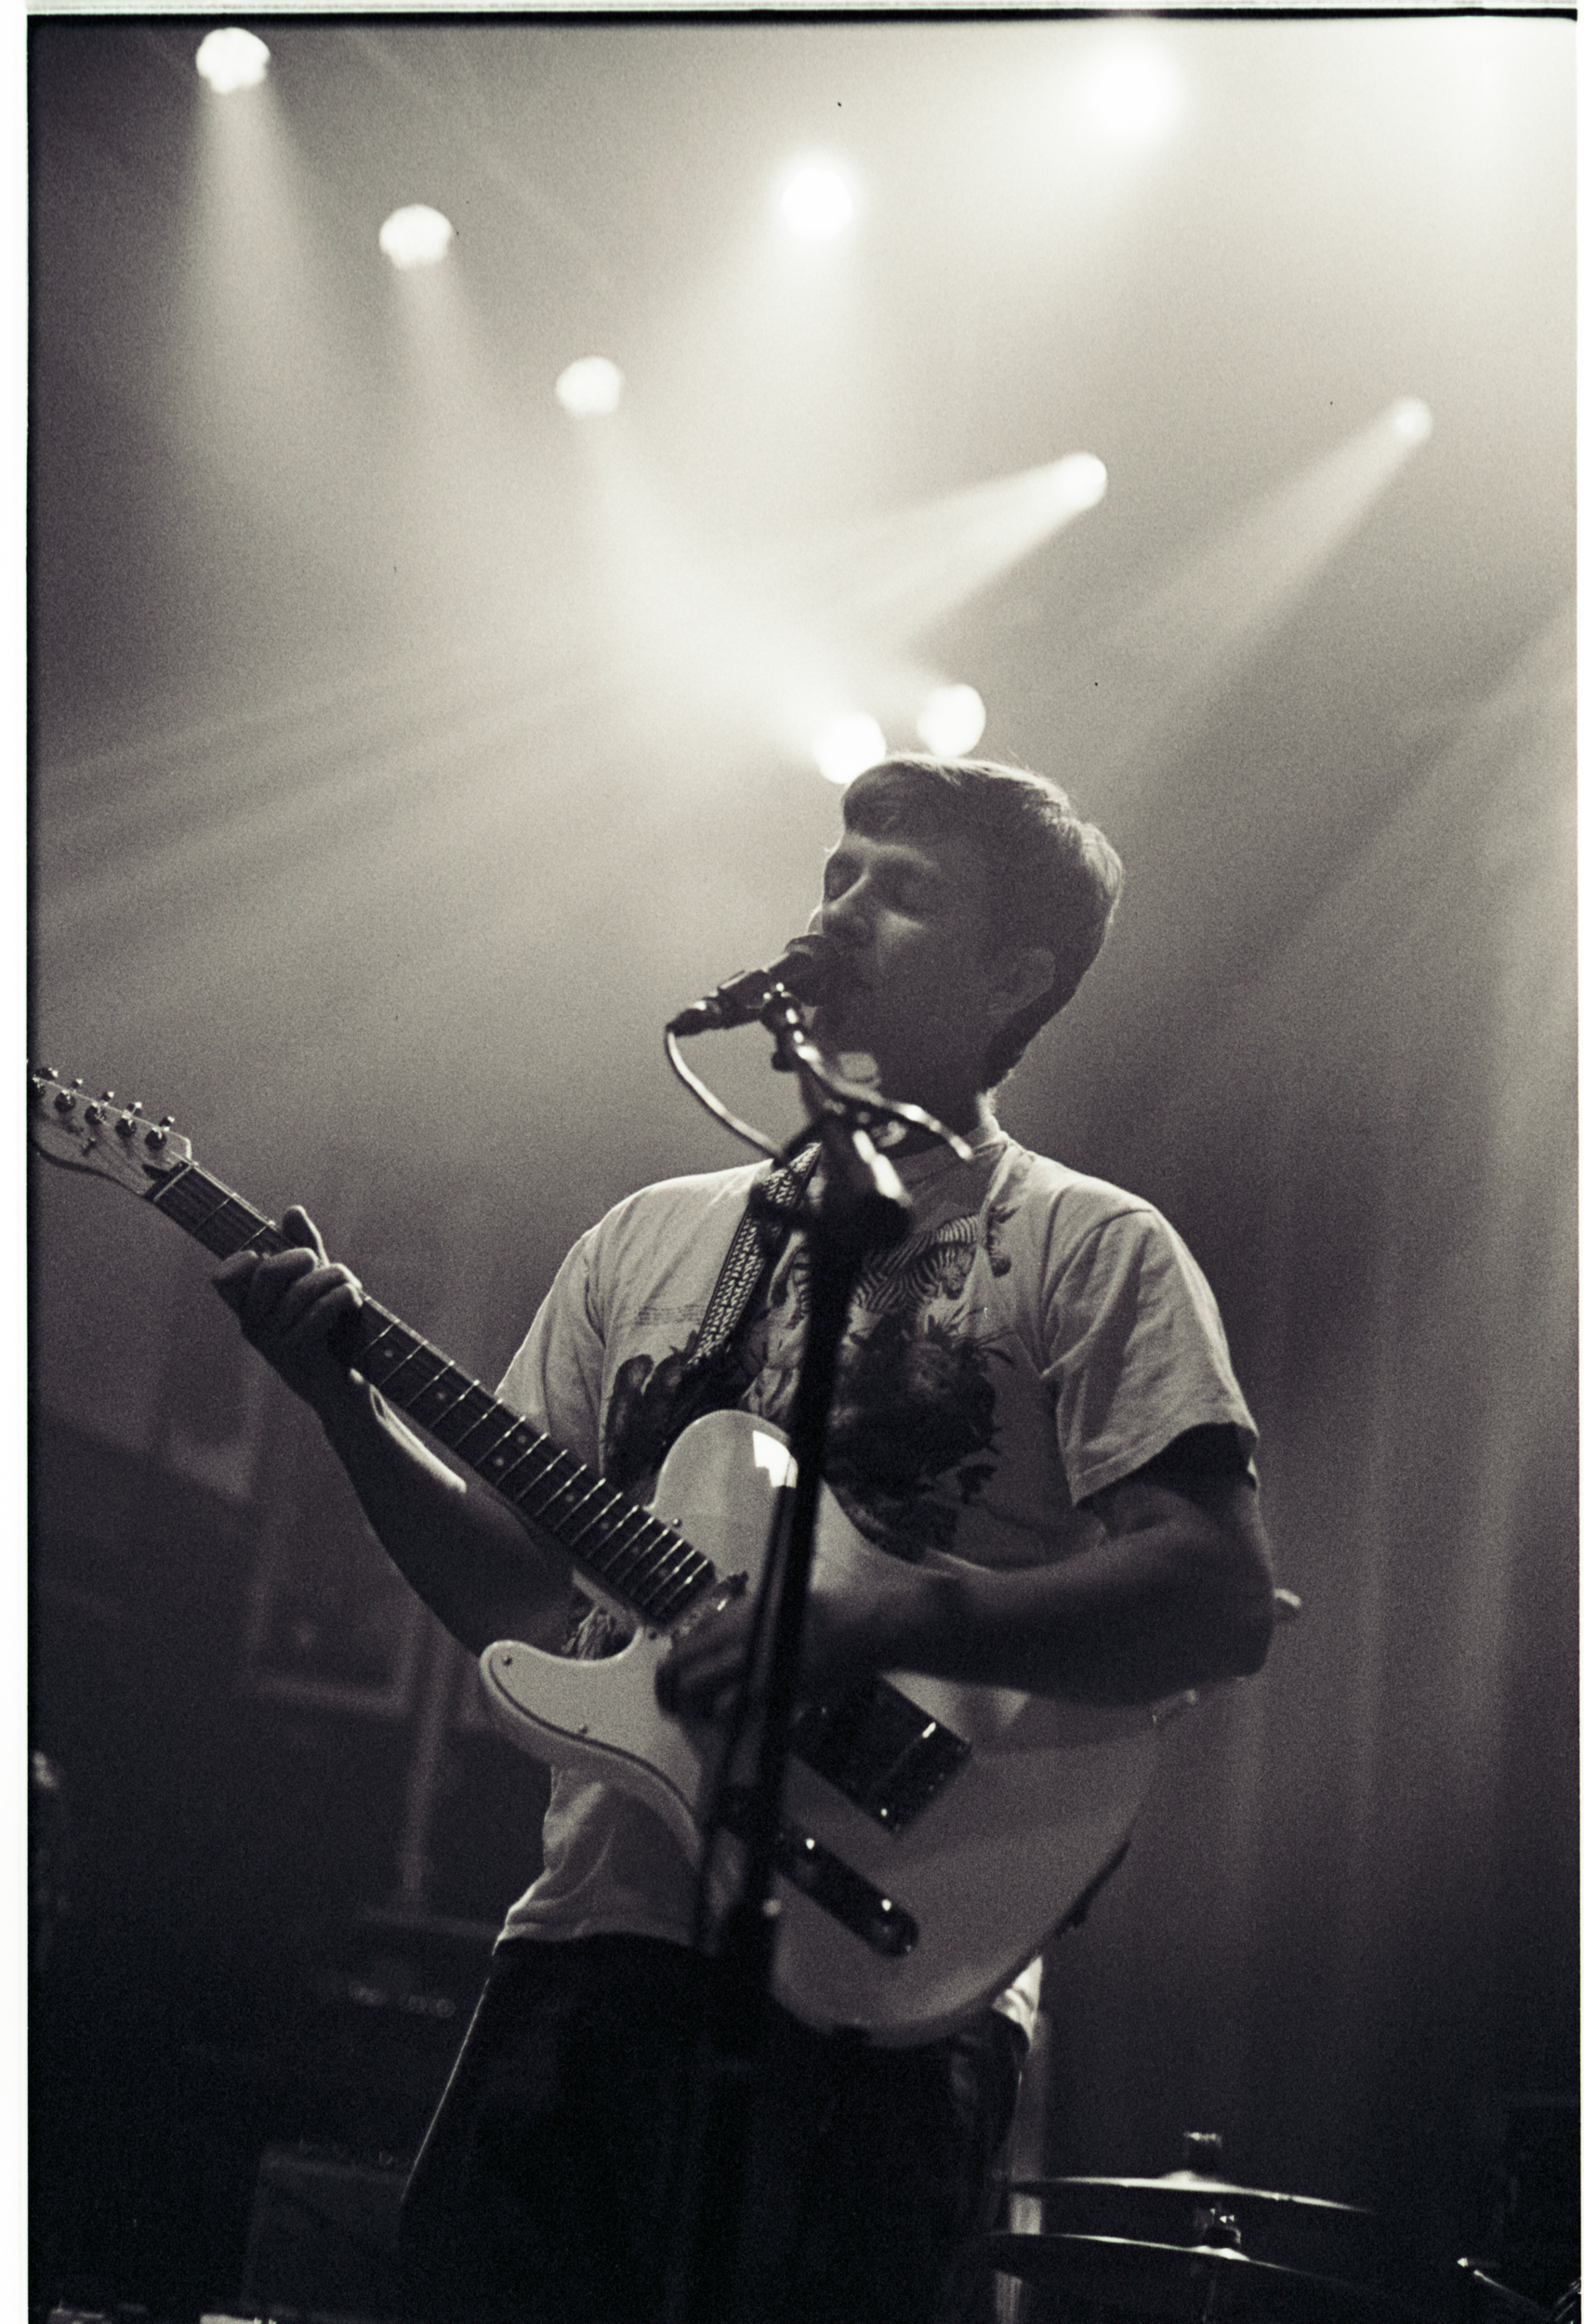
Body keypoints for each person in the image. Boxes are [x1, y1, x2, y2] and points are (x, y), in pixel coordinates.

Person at [214, 754, 1276, 2324]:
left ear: (1017, 978)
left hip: (885, 1990)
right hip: (589, 1954)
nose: (841, 906)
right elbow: (509, 1587)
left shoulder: (1088, 1245)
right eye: (839, 868)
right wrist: (343, 1410)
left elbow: (1214, 1594)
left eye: (902, 890)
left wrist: (876, 1620)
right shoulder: (643, 1239)